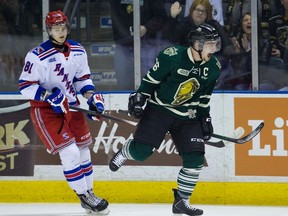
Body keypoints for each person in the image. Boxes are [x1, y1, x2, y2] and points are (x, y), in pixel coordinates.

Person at [109, 23, 221, 216]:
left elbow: (204, 97)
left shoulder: (213, 67)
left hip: (188, 116)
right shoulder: (173, 56)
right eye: (210, 44)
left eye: (215, 43)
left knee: (195, 158)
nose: (214, 47)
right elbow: (152, 79)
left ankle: (182, 202)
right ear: (197, 43)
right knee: (142, 152)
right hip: (159, 110)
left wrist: (205, 119)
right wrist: (140, 97)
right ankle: (126, 151)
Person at [18, 10, 109, 215]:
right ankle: (83, 196)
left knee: (84, 151)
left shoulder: (78, 50)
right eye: (56, 28)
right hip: (46, 111)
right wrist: (48, 96)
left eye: (63, 28)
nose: (60, 32)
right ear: (49, 30)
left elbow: (82, 79)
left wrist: (92, 97)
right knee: (70, 152)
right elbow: (25, 85)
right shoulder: (37, 55)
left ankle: (90, 193)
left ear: (68, 27)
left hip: (71, 106)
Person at [110, 0, 167, 90]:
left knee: (149, 83)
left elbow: (161, 17)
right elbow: (116, 19)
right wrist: (124, 37)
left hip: (148, 45)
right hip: (124, 46)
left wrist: (147, 28)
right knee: (123, 84)